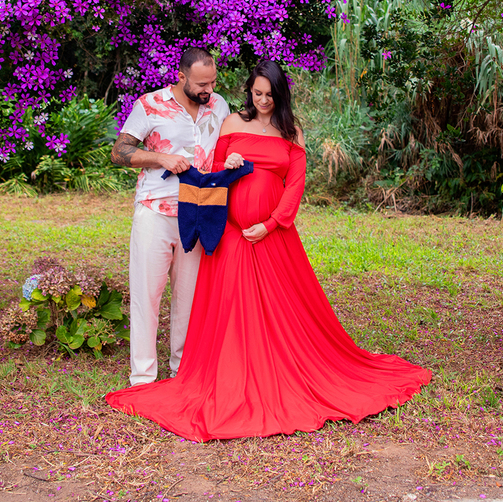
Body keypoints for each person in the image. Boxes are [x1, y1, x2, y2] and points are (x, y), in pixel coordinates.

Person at [106, 60, 431, 440]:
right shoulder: (184, 111)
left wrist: (272, 222)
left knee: (200, 300)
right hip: (190, 219)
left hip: (257, 231)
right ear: (183, 77)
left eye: (268, 94)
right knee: (163, 296)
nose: (261, 100)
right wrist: (221, 164)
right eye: (256, 93)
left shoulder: (242, 115)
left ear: (279, 95)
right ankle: (145, 376)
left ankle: (190, 367)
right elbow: (209, 169)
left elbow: (294, 185)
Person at [110, 47, 232, 386]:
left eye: (212, 82)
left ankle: (182, 371)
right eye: (201, 84)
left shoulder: (219, 106)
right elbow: (118, 152)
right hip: (155, 211)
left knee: (189, 299)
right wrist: (161, 159)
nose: (208, 91)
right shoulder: (149, 104)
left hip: (199, 211)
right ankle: (143, 377)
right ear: (181, 77)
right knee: (147, 295)